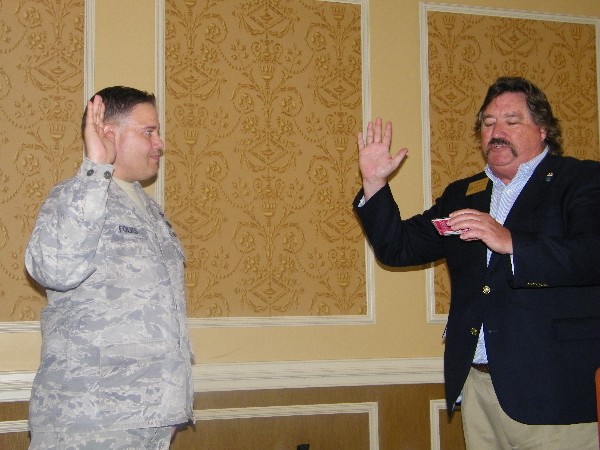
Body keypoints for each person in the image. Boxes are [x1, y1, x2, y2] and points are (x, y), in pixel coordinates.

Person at [353, 76, 600, 449]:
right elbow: (398, 247)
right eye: (488, 123)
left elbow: (592, 254)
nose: (496, 131)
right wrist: (374, 183)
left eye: (511, 121)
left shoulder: (581, 180)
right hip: (477, 386)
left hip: (553, 391)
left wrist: (512, 243)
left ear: (543, 128)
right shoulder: (464, 193)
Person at [25, 86, 194, 449]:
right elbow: (53, 268)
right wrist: (95, 169)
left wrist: (168, 404)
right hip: (87, 420)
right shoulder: (74, 197)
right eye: (148, 132)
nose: (160, 143)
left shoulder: (150, 211)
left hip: (149, 418)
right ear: (108, 133)